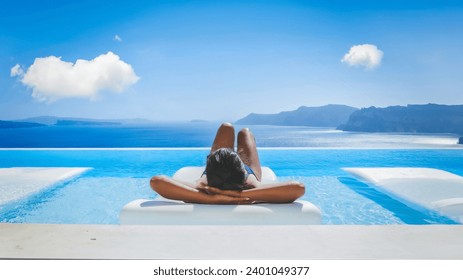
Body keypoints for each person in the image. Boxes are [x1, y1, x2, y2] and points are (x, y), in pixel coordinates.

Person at [150, 123, 305, 204]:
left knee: (226, 127)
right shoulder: (251, 186)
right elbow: (298, 188)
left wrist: (210, 198)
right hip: (243, 175)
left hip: (218, 176)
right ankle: (243, 135)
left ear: (208, 174)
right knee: (245, 132)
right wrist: (239, 195)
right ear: (243, 175)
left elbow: (157, 181)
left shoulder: (204, 187)